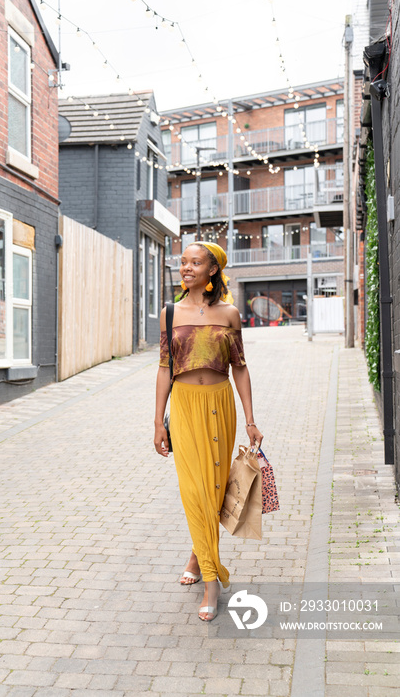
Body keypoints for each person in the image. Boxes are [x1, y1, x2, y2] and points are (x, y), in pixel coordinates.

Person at [154, 241, 263, 622]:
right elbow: (165, 368)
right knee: (194, 488)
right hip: (183, 407)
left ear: (212, 270)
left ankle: (197, 555)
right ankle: (212, 580)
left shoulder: (230, 314)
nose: (185, 268)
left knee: (214, 489)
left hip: (219, 406)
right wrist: (157, 423)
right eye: (183, 262)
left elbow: (240, 368)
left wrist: (250, 420)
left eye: (194, 262)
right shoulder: (170, 313)